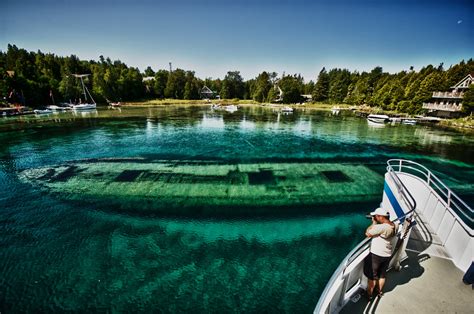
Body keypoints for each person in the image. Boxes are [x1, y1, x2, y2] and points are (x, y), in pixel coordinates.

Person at [364, 207, 395, 299]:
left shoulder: (381, 227)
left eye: (376, 216)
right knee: (382, 275)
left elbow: (367, 233)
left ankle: (369, 295)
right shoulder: (394, 225)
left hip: (376, 255)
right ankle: (379, 291)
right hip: (387, 254)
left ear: (380, 217)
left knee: (372, 277)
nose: (375, 217)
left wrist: (373, 223)